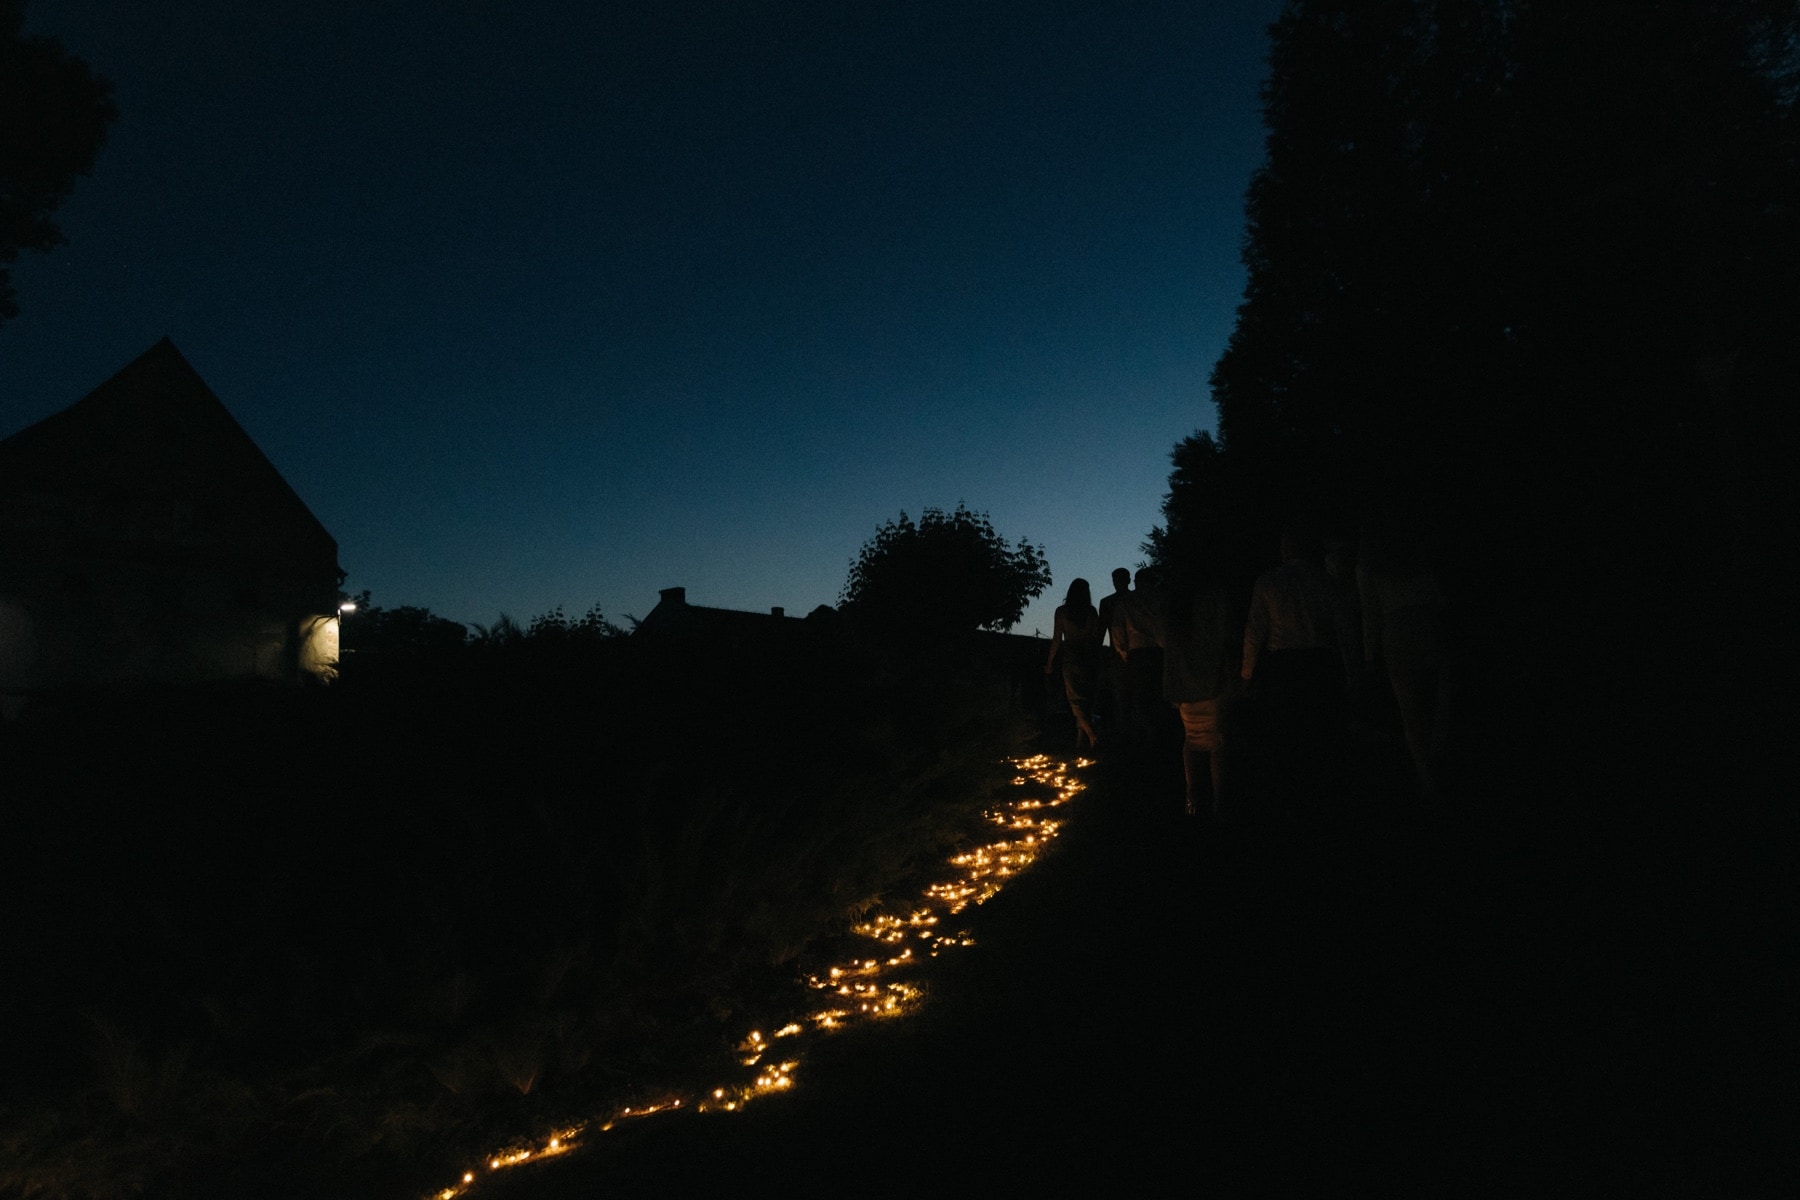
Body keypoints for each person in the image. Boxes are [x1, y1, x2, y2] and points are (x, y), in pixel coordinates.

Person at [1241, 527, 1356, 817]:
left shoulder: (1268, 582)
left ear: (1286, 549)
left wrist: (1247, 673)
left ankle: (1291, 795)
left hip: (1284, 665)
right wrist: (1351, 670)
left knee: (1286, 731)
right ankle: (1322, 793)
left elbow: (1255, 630)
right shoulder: (1325, 580)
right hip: (1321, 662)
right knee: (1321, 730)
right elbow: (1344, 629)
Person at [1359, 513, 1451, 800]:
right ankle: (1437, 768)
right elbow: (1438, 598)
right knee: (1437, 706)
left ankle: (1428, 780)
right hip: (1428, 627)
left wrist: (1369, 657)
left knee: (1412, 713)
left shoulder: (1369, 565)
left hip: (1398, 633)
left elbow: (1370, 615)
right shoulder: (1418, 557)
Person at [1162, 570, 1235, 820]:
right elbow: (1226, 634)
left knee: (1192, 738)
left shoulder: (1177, 602)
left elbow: (1169, 643)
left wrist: (1172, 682)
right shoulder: (1215, 596)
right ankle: (1219, 801)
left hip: (1185, 680)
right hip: (1212, 676)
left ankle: (1193, 798)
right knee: (1216, 740)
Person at [1044, 577, 1104, 751]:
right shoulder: (1091, 612)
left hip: (1071, 657)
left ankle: (1091, 735)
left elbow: (1056, 639)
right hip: (1089, 658)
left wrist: (1049, 662)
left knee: (1075, 700)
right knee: (1086, 700)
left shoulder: (1062, 612)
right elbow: (1095, 637)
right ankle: (1081, 743)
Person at [1096, 567, 1133, 737]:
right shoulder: (1133, 599)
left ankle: (1122, 731)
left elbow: (1101, 630)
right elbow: (1101, 630)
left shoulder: (1108, 602)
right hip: (1130, 653)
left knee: (1121, 694)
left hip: (1117, 654)